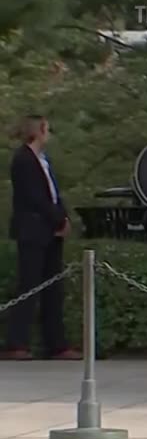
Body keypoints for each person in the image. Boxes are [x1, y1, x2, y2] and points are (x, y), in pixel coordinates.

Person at [2, 115, 80, 361]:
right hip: (33, 231)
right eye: (47, 128)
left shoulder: (44, 161)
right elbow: (36, 197)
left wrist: (64, 219)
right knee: (29, 285)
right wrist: (56, 219)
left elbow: (54, 194)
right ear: (39, 131)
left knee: (53, 289)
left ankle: (56, 343)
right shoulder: (23, 160)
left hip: (51, 231)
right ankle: (17, 343)